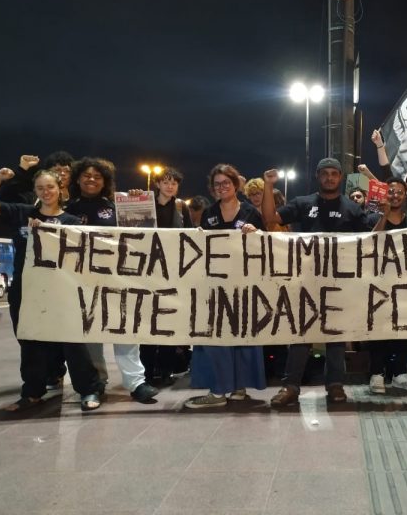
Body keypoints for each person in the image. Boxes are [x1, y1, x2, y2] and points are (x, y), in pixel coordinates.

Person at [0, 167, 103, 412]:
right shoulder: (22, 213)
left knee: (72, 342)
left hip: (61, 292)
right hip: (26, 290)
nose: (46, 192)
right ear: (35, 191)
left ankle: (88, 389)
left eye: (50, 187)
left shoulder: (72, 222)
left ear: (60, 190)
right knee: (29, 340)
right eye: (40, 188)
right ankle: (32, 392)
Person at [262, 157, 368, 407]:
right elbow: (270, 218)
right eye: (325, 173)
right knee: (301, 335)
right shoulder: (303, 203)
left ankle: (335, 385)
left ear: (340, 178)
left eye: (334, 174)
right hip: (305, 281)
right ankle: (290, 387)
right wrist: (268, 186)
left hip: (339, 281)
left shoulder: (352, 209)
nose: (330, 177)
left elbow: (369, 241)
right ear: (317, 176)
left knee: (335, 337)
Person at [66, 157, 159, 404]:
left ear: (105, 181)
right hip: (82, 279)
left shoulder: (116, 205)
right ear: (78, 179)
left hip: (118, 278)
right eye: (87, 175)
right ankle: (95, 383)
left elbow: (142, 231)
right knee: (91, 333)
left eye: (97, 176)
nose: (92, 179)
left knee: (127, 329)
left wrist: (138, 202)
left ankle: (136, 382)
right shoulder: (67, 208)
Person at [184, 164, 267, 409]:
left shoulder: (251, 212)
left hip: (243, 285)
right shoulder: (209, 213)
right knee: (215, 337)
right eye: (217, 184)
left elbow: (265, 247)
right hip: (215, 286)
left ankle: (239, 387)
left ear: (235, 185)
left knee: (242, 336)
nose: (222, 187)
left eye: (226, 183)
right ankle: (218, 390)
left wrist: (256, 233)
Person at [139, 167, 193, 387]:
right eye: (166, 182)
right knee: (147, 322)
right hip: (147, 271)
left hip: (171, 272)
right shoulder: (144, 203)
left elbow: (189, 235)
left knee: (169, 320)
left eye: (174, 183)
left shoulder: (181, 207)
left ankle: (166, 370)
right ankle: (147, 370)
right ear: (158, 184)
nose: (170, 186)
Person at [367, 177, 407, 395]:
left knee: (405, 330)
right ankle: (377, 374)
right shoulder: (372, 218)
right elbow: (371, 242)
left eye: (399, 192)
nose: (395, 195)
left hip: (405, 285)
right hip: (378, 283)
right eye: (391, 192)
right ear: (383, 195)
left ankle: (400, 374)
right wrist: (384, 216)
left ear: (405, 195)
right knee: (379, 329)